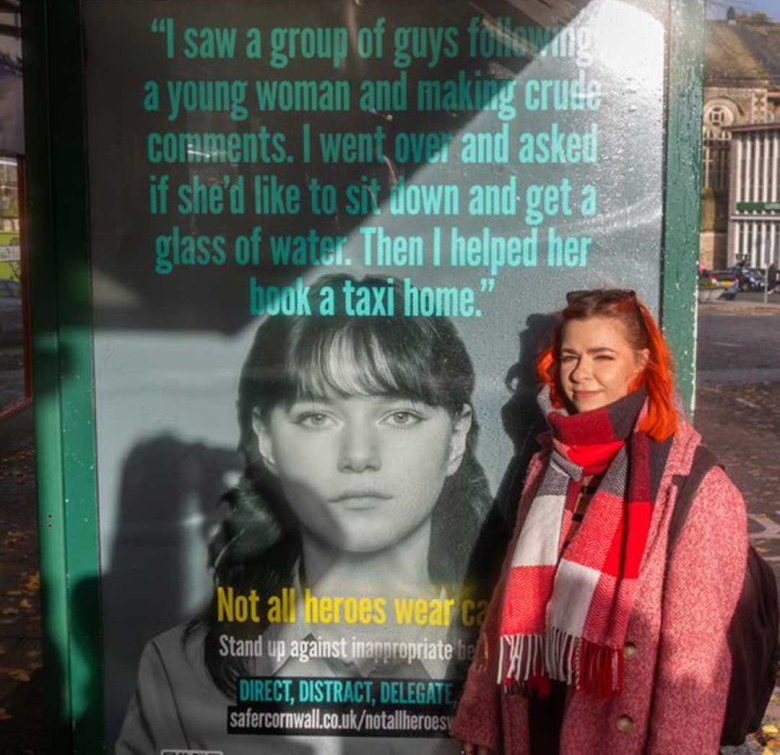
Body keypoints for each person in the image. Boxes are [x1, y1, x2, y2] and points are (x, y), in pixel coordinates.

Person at [117, 273, 498, 755]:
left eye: (399, 415)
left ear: (457, 436)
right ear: (266, 438)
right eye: (317, 416)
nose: (359, 456)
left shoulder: (520, 668)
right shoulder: (181, 673)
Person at [453, 288, 749, 754]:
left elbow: (693, 671)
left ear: (641, 363)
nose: (580, 374)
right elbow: (511, 602)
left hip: (615, 733)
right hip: (537, 719)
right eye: (570, 356)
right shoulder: (552, 462)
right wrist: (485, 720)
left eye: (602, 356)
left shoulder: (694, 487)